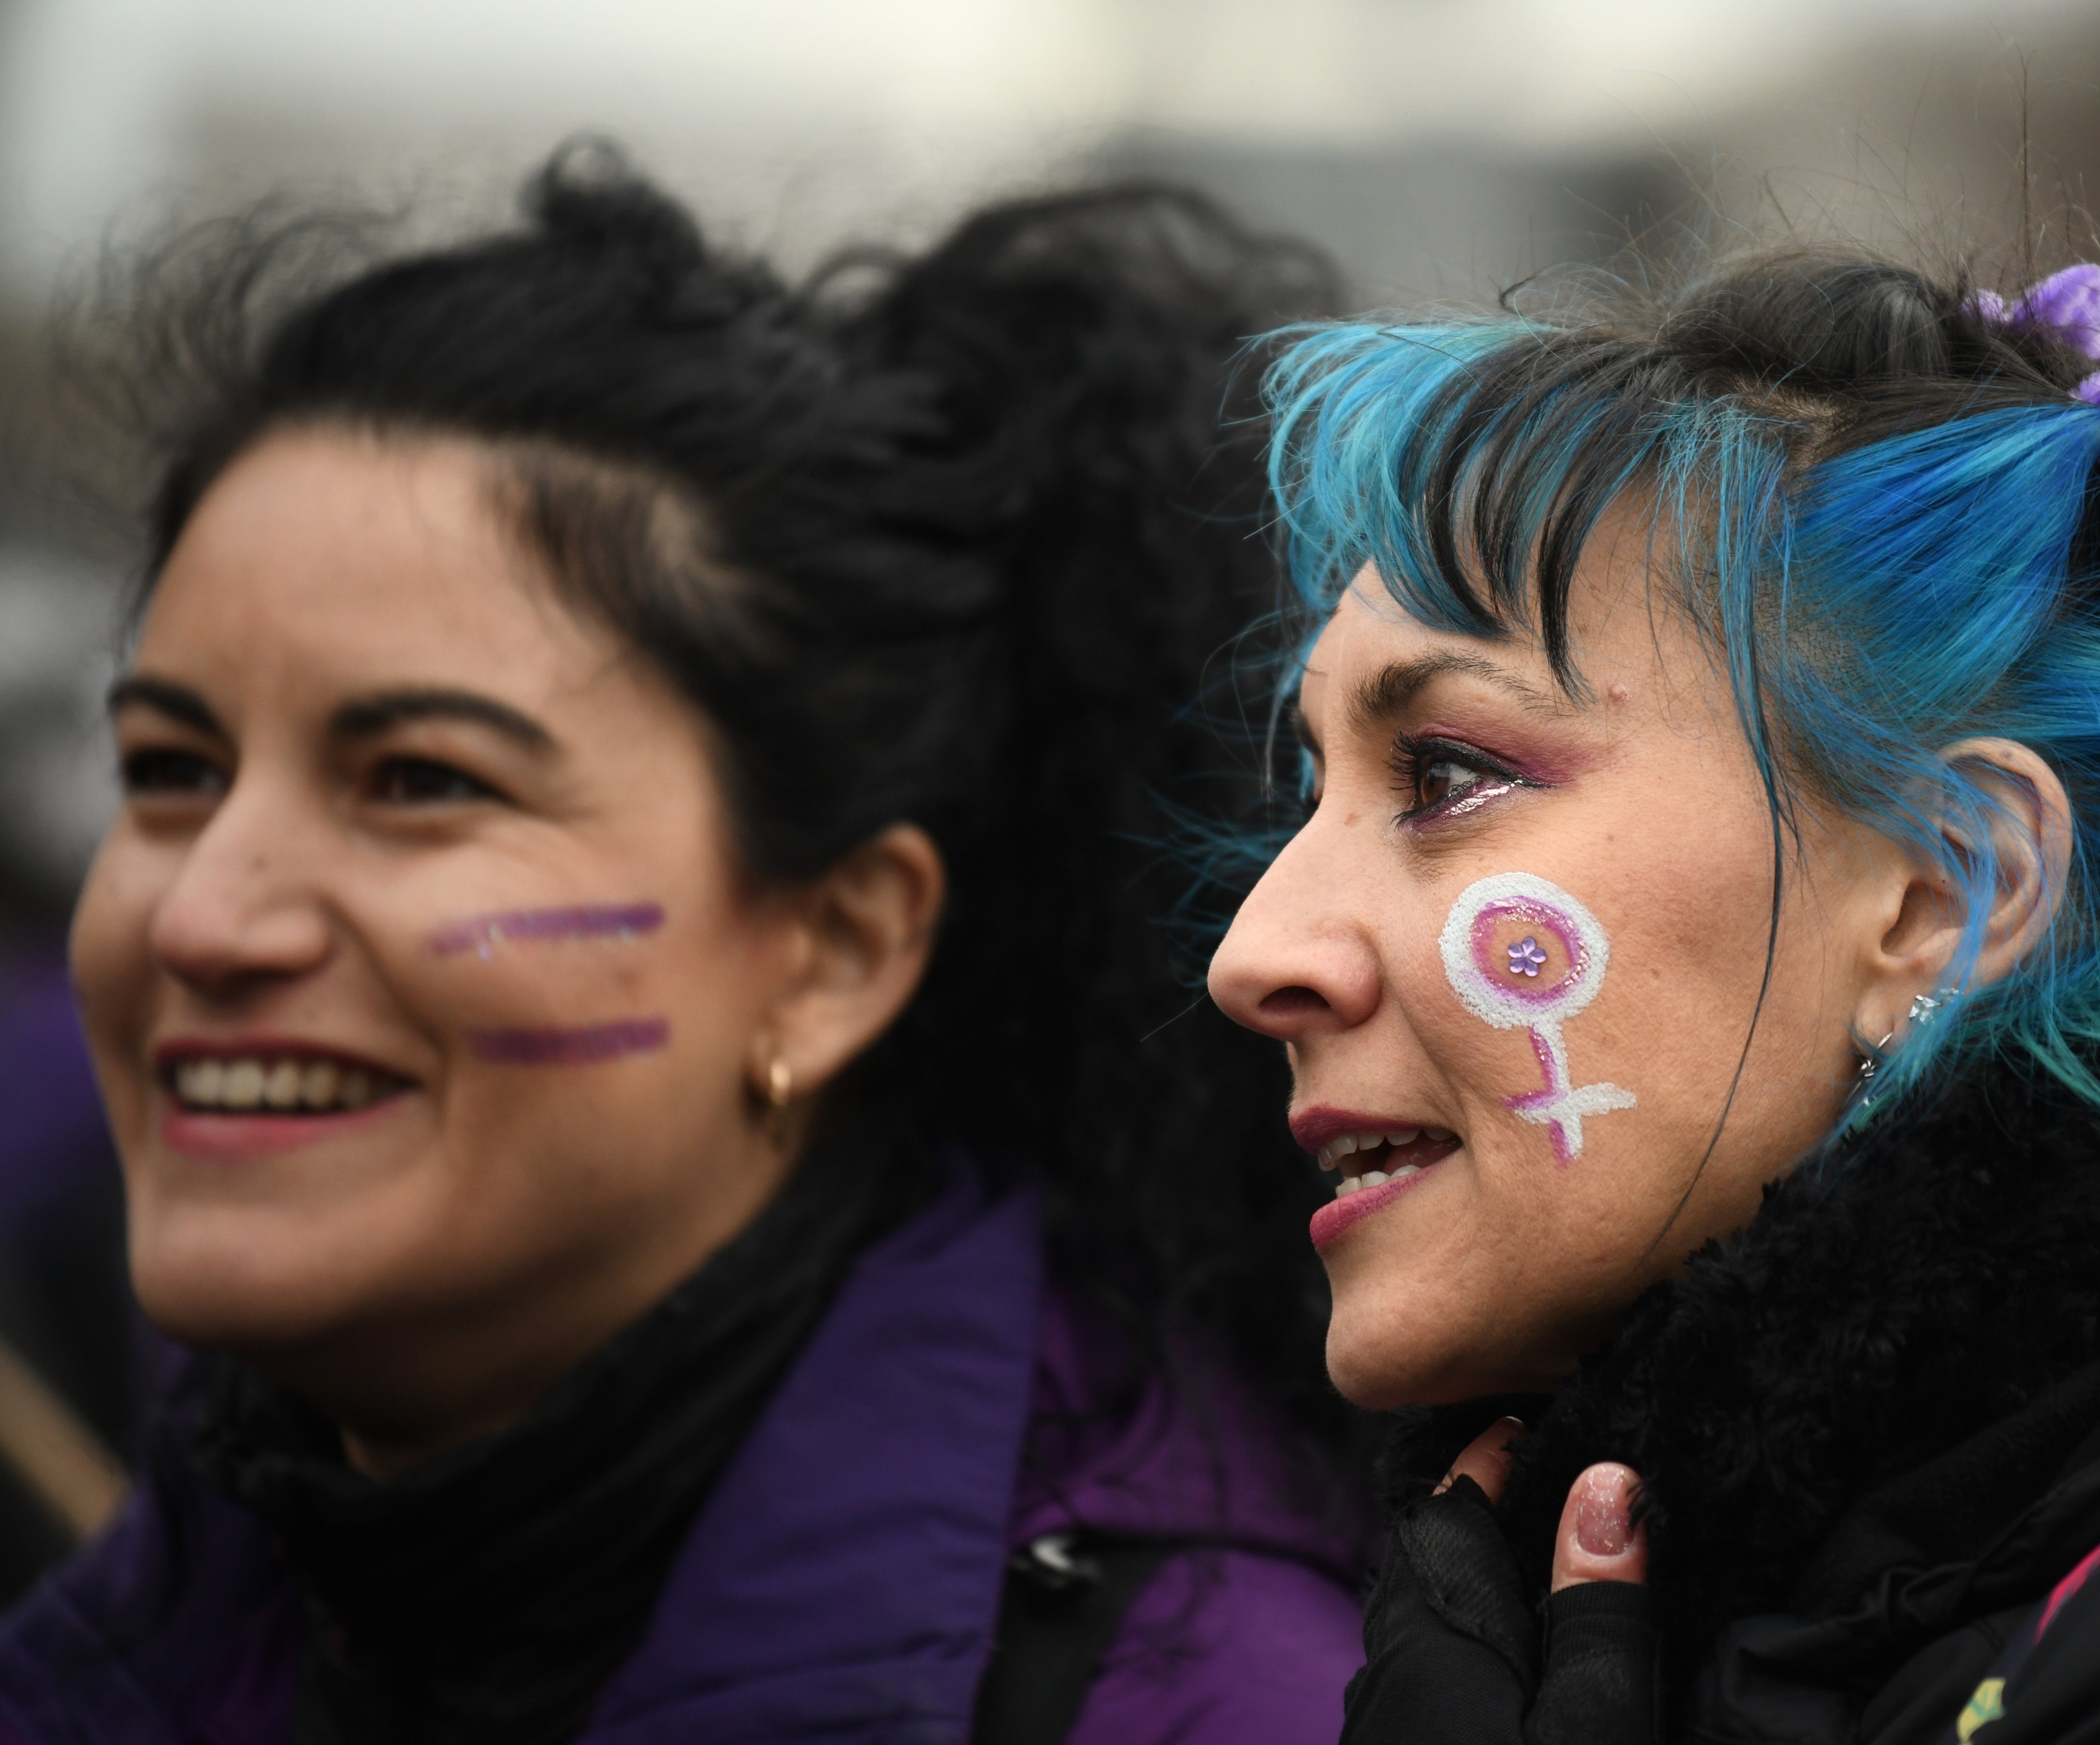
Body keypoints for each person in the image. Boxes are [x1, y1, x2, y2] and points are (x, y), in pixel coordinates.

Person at [0, 149, 1367, 1744]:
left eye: (419, 783)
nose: (200, 914)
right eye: (170, 771)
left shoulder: (1216, 1702)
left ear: (833, 953)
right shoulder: (141, 1641)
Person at [1207, 252, 2100, 1740]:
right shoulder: (1629, 1596)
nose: (1258, 950)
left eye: (1448, 774)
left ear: (1951, 894)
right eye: (1312, 791)